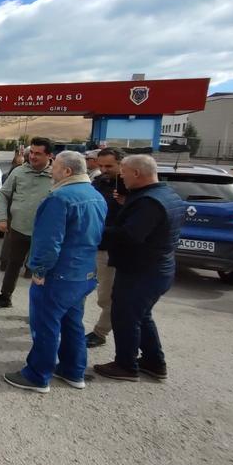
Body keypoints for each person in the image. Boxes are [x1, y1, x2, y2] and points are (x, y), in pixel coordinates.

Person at [3, 151, 107, 393]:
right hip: (84, 273)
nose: (52, 171)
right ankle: (73, 371)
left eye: (56, 167)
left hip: (58, 275)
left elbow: (49, 241)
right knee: (73, 323)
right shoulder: (96, 196)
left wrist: (39, 269)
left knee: (45, 325)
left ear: (67, 171)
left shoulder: (59, 198)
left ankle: (38, 375)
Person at [94, 155, 184, 382]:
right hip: (155, 269)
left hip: (141, 271)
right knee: (142, 316)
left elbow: (130, 236)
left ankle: (125, 365)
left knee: (125, 317)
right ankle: (154, 362)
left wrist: (95, 231)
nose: (121, 176)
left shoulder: (149, 202)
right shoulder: (165, 194)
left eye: (123, 171)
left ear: (136, 173)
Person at [0, 137, 53, 309]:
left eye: (38, 154)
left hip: (45, 234)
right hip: (18, 229)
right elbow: (3, 194)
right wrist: (2, 218)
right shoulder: (18, 172)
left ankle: (40, 308)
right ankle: (5, 296)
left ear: (49, 156)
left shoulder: (57, 175)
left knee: (41, 271)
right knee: (13, 264)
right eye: (31, 152)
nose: (33, 156)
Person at [85, 148, 125, 348]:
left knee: (106, 296)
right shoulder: (98, 182)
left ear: (121, 163)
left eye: (109, 166)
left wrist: (125, 202)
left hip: (109, 249)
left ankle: (100, 332)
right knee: (79, 288)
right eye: (100, 166)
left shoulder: (130, 188)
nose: (103, 170)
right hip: (90, 244)